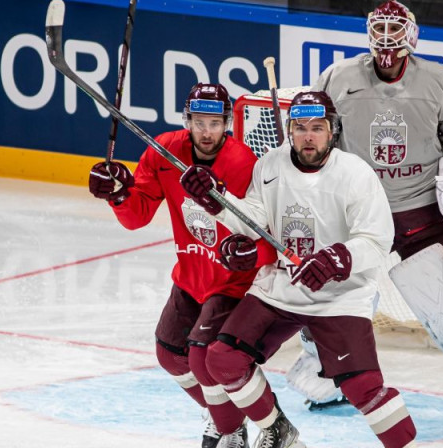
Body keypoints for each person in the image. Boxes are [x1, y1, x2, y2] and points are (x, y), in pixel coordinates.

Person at [179, 91, 418, 448]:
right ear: (289, 130)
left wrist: (335, 259)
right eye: (300, 127)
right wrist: (216, 199)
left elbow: (377, 240)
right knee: (223, 358)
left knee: (363, 388)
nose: (308, 136)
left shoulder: (355, 174)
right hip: (282, 286)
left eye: (317, 128)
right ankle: (279, 431)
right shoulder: (270, 165)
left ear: (332, 131)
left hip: (339, 296)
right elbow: (255, 220)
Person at [303, 0, 443, 407]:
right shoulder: (338, 77)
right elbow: (319, 136)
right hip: (360, 212)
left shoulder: (439, 81)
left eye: (396, 29)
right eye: (381, 28)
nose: (387, 39)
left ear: (411, 34)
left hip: (422, 209)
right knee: (333, 292)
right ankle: (324, 375)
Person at [89, 82, 277, 448]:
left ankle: (230, 427)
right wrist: (119, 194)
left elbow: (264, 227)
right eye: (199, 122)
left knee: (203, 356)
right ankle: (226, 418)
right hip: (191, 277)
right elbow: (136, 216)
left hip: (231, 280)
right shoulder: (165, 151)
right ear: (186, 121)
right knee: (170, 354)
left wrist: (219, 198)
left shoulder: (244, 164)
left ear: (228, 124)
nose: (207, 132)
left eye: (215, 123)